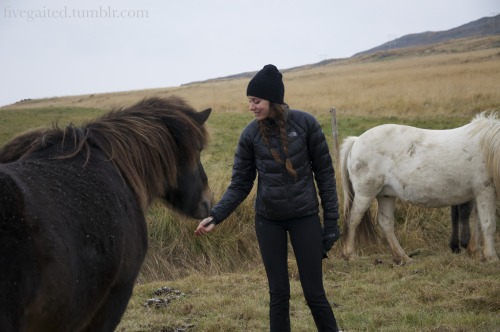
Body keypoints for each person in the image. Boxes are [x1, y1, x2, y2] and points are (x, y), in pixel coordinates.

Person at [194, 64, 341, 332]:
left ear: (273, 100)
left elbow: (326, 178)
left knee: (314, 294)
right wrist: (216, 216)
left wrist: (331, 224)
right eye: (250, 101)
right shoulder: (250, 135)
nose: (251, 106)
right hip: (268, 221)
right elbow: (240, 184)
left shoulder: (306, 125)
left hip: (305, 218)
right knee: (279, 294)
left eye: (256, 100)